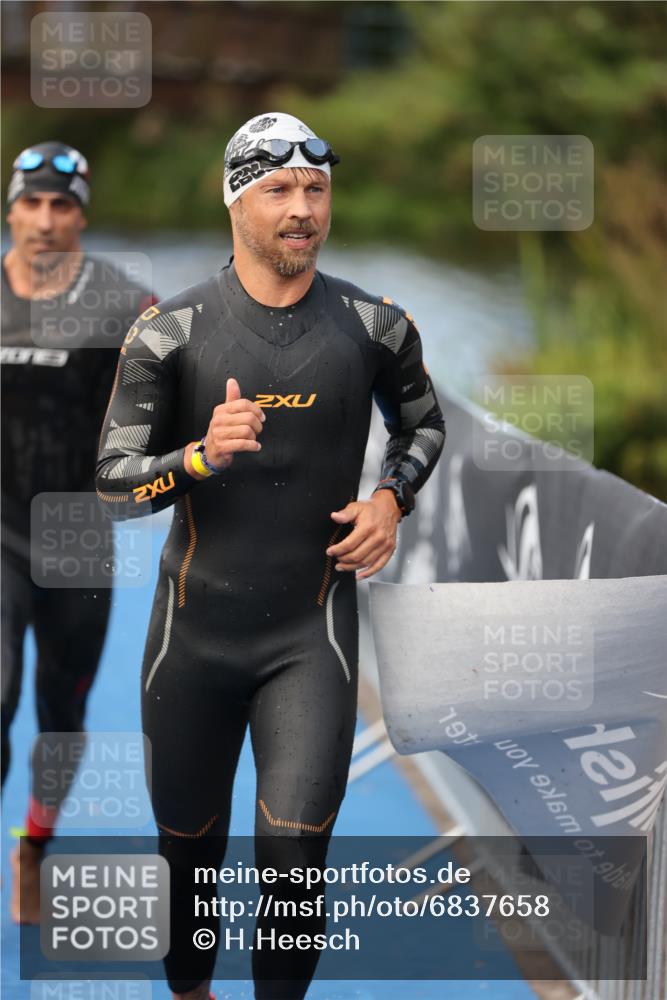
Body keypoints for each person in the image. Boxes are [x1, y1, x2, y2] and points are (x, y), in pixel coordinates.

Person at [96, 112, 445, 1000]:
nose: (302, 210)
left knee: (294, 858)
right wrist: (196, 457)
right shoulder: (166, 333)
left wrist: (389, 497)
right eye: (279, 190)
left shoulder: (376, 326)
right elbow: (110, 484)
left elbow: (425, 426)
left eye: (316, 190)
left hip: (310, 635)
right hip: (194, 638)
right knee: (189, 857)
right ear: (235, 201)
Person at [1, 141, 156, 922]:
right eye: (31, 202)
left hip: (74, 538)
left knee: (62, 714)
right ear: (11, 210)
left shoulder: (123, 305)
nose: (45, 220)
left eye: (61, 205)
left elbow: (183, 384)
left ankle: (33, 847)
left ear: (81, 216)